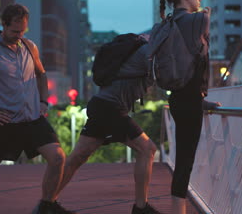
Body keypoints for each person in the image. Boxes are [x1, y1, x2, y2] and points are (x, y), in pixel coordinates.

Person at [0, 4, 71, 214]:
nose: (19, 35)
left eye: (23, 31)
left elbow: (41, 74)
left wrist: (44, 102)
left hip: (33, 118)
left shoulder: (29, 47)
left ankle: (47, 205)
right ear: (4, 25)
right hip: (5, 121)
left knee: (58, 157)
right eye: (15, 31)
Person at [55, 34, 162, 214]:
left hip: (103, 105)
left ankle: (47, 202)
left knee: (77, 157)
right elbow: (169, 77)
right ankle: (141, 208)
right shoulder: (147, 53)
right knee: (147, 149)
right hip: (110, 108)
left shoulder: (142, 51)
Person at [158, 0, 220, 214]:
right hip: (190, 100)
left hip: (176, 97)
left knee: (183, 158)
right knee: (185, 161)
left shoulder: (168, 23)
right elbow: (200, 61)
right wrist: (206, 18)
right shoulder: (198, 19)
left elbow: (184, 62)